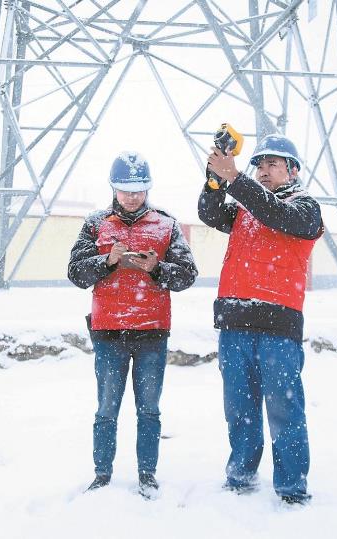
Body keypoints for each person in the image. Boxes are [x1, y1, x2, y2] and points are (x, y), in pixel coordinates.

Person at [198, 134, 323, 506]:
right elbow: (210, 212)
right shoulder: (245, 206)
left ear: (293, 169)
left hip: (278, 328)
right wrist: (214, 178)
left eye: (273, 164)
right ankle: (241, 474)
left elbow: (275, 213)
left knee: (284, 411)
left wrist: (236, 178)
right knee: (239, 408)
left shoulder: (305, 208)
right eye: (259, 164)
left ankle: (291, 486)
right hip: (235, 322)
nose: (264, 171)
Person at [68, 151, 198, 499]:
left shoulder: (166, 225)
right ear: (113, 188)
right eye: (125, 189)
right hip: (108, 332)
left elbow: (187, 275)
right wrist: (107, 261)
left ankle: (147, 474)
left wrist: (157, 269)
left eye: (138, 189)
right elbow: (76, 273)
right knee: (107, 408)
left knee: (149, 409)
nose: (131, 196)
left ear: (148, 188)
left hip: (152, 332)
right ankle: (101, 474)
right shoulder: (95, 224)